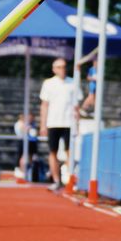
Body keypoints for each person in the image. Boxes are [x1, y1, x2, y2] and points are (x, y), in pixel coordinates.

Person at [37, 57, 84, 192]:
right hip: (53, 123)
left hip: (69, 123)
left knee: (70, 152)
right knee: (53, 152)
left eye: (63, 66)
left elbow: (76, 107)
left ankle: (70, 179)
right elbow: (44, 105)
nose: (62, 69)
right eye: (59, 67)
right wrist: (43, 125)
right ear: (54, 69)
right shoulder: (48, 83)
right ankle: (56, 180)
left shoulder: (73, 83)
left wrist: (78, 124)